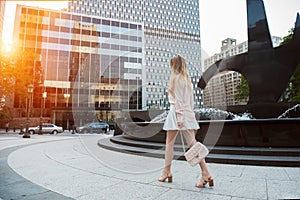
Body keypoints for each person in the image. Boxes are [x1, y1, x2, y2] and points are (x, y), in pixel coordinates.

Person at [158, 55, 213, 188]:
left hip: (178, 114)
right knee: (193, 145)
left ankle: (167, 172)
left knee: (170, 144)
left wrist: (180, 118)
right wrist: (186, 116)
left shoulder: (176, 79)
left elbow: (178, 101)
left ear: (174, 66)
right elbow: (189, 102)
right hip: (187, 113)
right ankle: (205, 173)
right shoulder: (187, 80)